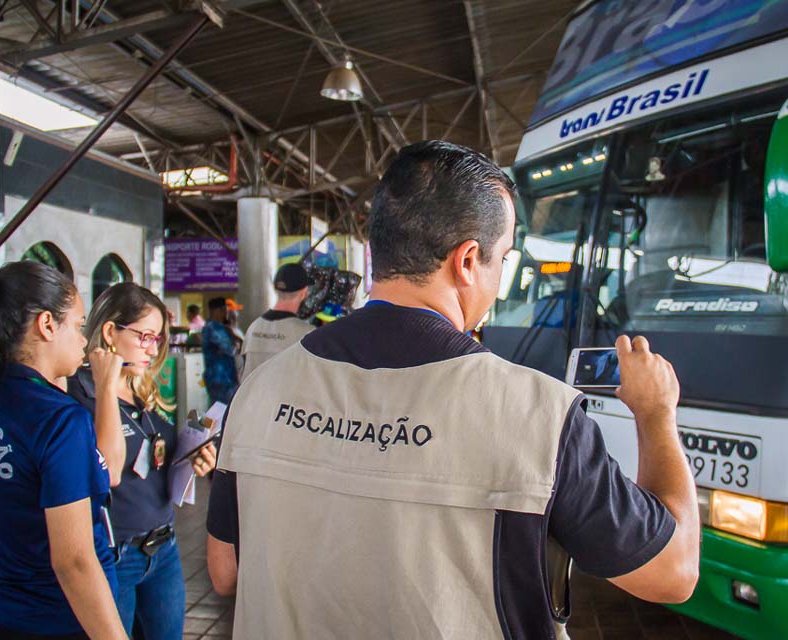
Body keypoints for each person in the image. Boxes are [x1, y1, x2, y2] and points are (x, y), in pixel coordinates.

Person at [206, 141, 699, 638]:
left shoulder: (257, 392)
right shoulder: (539, 418)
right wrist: (656, 414)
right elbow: (673, 573)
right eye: (502, 258)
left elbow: (224, 571)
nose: (499, 276)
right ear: (467, 262)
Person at [0, 263, 126, 639]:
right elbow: (74, 561)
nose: (83, 340)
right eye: (77, 325)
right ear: (46, 325)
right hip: (58, 621)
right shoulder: (58, 419)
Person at [66, 283, 217, 640]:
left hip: (163, 545)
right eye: (145, 337)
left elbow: (154, 459)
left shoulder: (141, 388)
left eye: (157, 341)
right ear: (109, 332)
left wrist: (192, 458)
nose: (153, 349)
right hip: (116, 554)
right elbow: (108, 469)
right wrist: (106, 385)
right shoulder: (79, 394)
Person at [239, 263, 315, 380]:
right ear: (304, 292)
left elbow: (242, 371)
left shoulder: (253, 328)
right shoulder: (306, 333)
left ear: (275, 289)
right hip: (287, 397)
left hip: (253, 397)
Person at [201, 297, 238, 404]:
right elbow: (230, 349)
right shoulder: (214, 328)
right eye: (225, 311)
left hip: (219, 378)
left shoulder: (211, 327)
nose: (226, 314)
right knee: (224, 413)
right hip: (222, 378)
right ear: (219, 310)